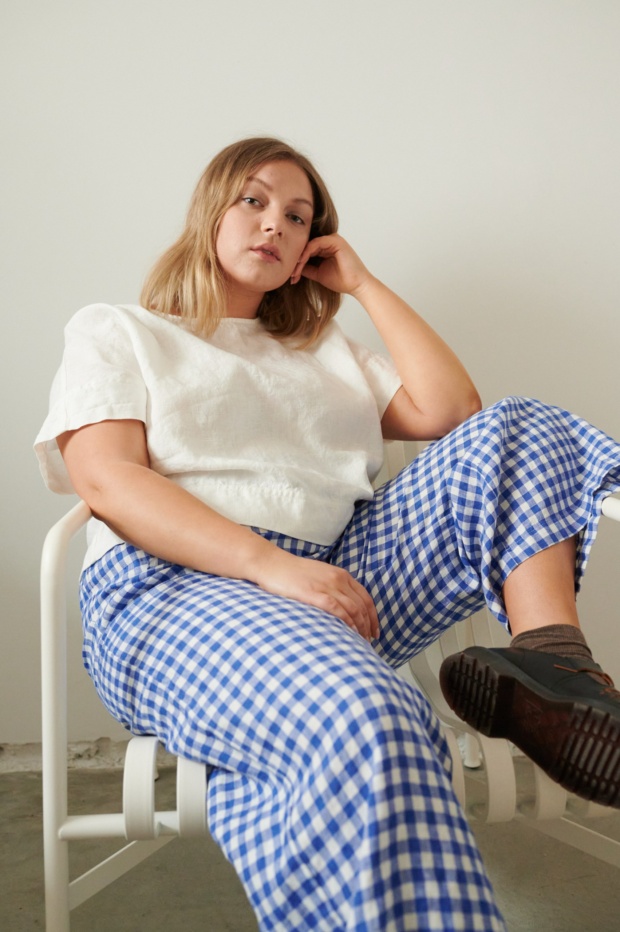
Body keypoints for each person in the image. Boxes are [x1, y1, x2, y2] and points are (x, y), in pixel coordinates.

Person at [35, 136, 620, 931]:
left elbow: (455, 412)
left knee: (523, 426)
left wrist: (364, 284)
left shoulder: (325, 351)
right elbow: (108, 481)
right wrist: (268, 566)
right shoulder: (121, 330)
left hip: (338, 584)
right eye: (254, 200)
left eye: (298, 215)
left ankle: (555, 665)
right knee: (365, 717)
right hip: (175, 588)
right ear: (210, 208)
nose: (275, 223)